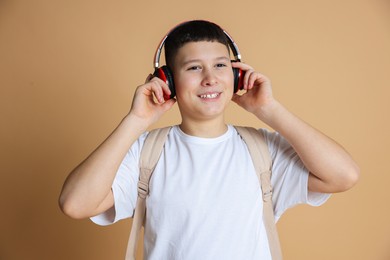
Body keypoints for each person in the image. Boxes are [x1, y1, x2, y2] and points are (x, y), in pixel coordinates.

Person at [59, 20, 359, 259]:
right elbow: (75, 204)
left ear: (237, 75)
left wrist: (269, 110)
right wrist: (135, 121)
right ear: (168, 81)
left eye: (220, 65)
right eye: (193, 68)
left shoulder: (262, 151)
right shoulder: (146, 153)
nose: (210, 78)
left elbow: (344, 175)